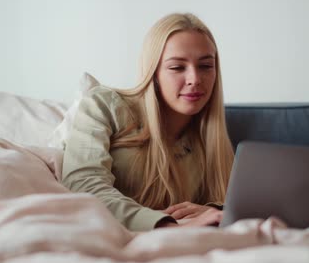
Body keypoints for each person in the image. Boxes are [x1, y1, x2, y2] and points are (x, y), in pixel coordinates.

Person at [62, 13, 234, 231]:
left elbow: (236, 204)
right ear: (153, 73)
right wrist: (167, 227)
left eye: (206, 66)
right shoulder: (104, 105)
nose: (194, 79)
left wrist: (217, 211)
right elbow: (84, 184)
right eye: (177, 67)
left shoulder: (210, 139)